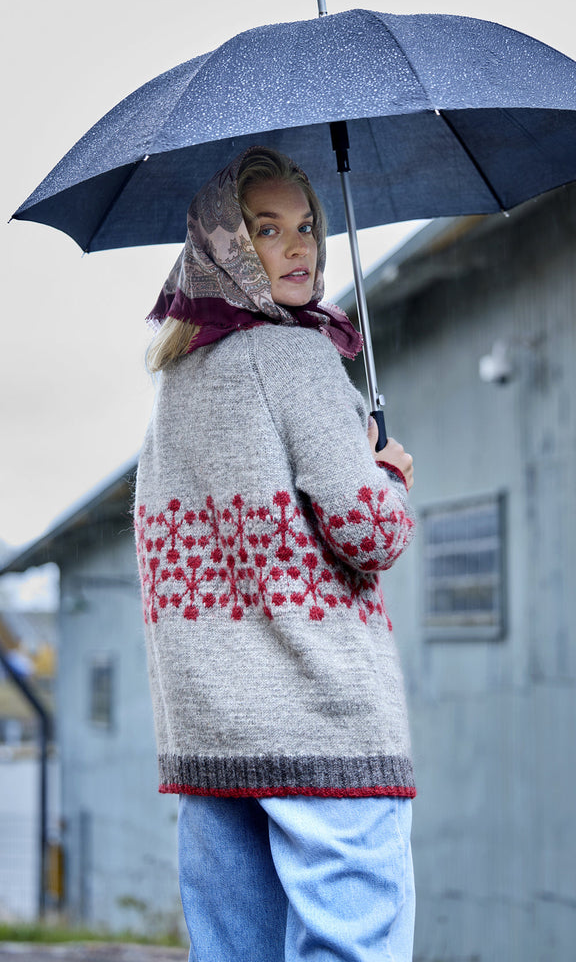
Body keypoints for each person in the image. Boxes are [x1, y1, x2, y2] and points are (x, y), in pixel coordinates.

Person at [135, 146, 416, 962]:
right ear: (224, 243)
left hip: (211, 733)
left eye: (307, 227)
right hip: (320, 721)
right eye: (267, 229)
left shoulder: (180, 382)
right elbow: (370, 531)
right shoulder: (297, 356)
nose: (299, 248)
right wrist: (386, 480)